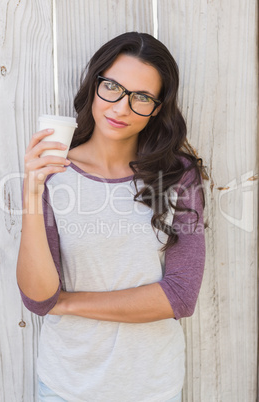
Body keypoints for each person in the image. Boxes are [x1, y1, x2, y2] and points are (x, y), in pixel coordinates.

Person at [17, 31, 206, 402]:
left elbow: (181, 296)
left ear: (157, 108)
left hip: (154, 386)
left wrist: (66, 302)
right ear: (94, 84)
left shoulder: (179, 175)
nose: (121, 108)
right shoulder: (53, 173)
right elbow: (39, 295)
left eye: (141, 97)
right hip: (65, 385)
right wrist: (32, 190)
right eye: (113, 87)